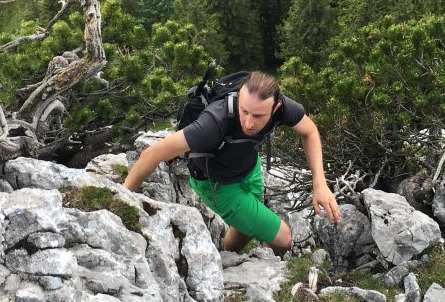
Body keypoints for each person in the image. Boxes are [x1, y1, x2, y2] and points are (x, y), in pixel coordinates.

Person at [123, 71, 340, 255]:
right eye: (244, 111)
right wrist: (122, 200)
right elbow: (152, 154)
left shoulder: (282, 108)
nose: (249, 122)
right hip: (217, 183)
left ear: (275, 109)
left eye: (258, 116)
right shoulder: (213, 122)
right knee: (283, 238)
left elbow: (310, 131)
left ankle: (226, 258)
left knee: (245, 229)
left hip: (249, 168)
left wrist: (319, 183)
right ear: (238, 99)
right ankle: (268, 270)